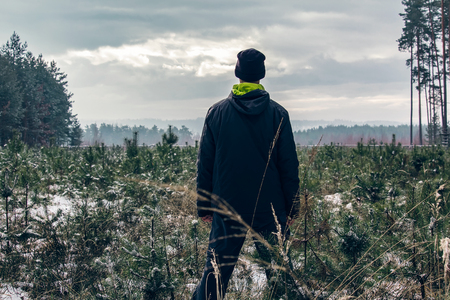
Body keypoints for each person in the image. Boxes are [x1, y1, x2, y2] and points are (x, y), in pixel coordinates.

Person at [192, 48, 302, 300]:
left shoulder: (216, 113)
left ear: (238, 73)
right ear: (261, 76)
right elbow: (289, 166)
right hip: (269, 208)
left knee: (215, 274)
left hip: (227, 206)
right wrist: (291, 209)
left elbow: (205, 164)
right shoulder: (278, 114)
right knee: (280, 275)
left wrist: (205, 207)